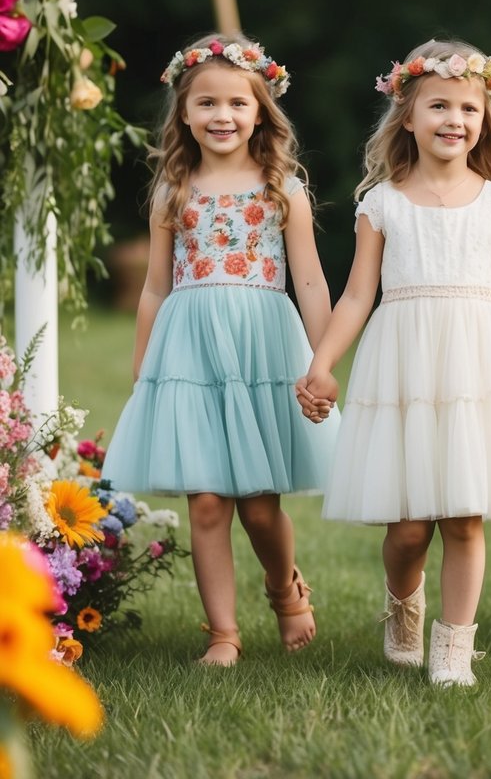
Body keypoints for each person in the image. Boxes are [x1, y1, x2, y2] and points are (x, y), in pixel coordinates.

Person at [296, 38, 491, 687]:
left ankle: (453, 646)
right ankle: (402, 601)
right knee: (411, 527)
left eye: (467, 108)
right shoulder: (382, 203)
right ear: (407, 117)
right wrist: (323, 362)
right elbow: (358, 293)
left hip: (477, 366)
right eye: (438, 106)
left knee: (464, 517)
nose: (453, 119)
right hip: (406, 363)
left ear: (484, 119)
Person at [102, 34, 339, 666]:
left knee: (260, 508)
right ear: (183, 112)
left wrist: (323, 362)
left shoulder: (281, 188)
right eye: (206, 103)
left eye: (237, 102)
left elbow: (310, 280)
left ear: (261, 110)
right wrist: (144, 365)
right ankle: (223, 634)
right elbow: (155, 287)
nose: (222, 116)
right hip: (190, 351)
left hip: (261, 348)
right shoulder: (172, 191)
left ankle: (284, 587)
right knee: (207, 502)